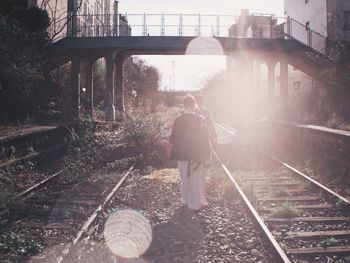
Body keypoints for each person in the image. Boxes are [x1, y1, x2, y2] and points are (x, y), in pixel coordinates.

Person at [168, 94, 211, 211]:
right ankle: (198, 202)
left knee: (185, 178)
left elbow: (173, 138)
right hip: (198, 155)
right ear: (194, 105)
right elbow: (206, 138)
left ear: (183, 105)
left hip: (182, 155)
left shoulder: (178, 120)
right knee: (197, 179)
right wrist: (208, 155)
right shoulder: (201, 119)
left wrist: (168, 152)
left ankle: (187, 201)